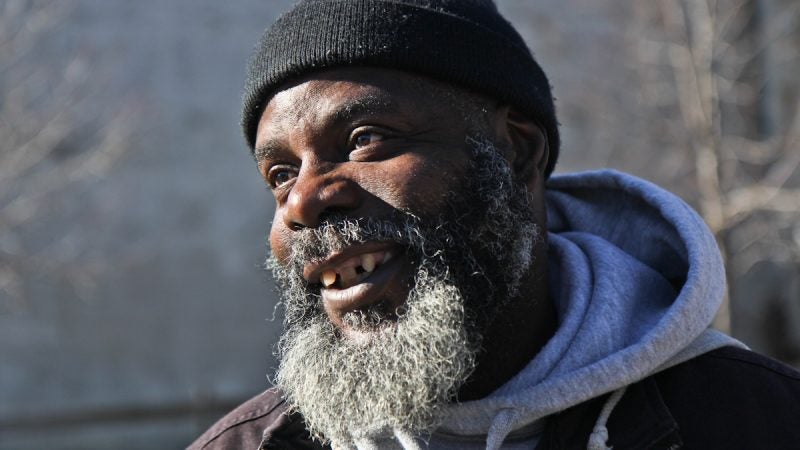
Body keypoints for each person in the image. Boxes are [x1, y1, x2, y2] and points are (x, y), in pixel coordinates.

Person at [190, 1, 800, 449]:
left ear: (516, 151)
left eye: (365, 140)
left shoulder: (759, 423)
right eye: (279, 174)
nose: (300, 203)